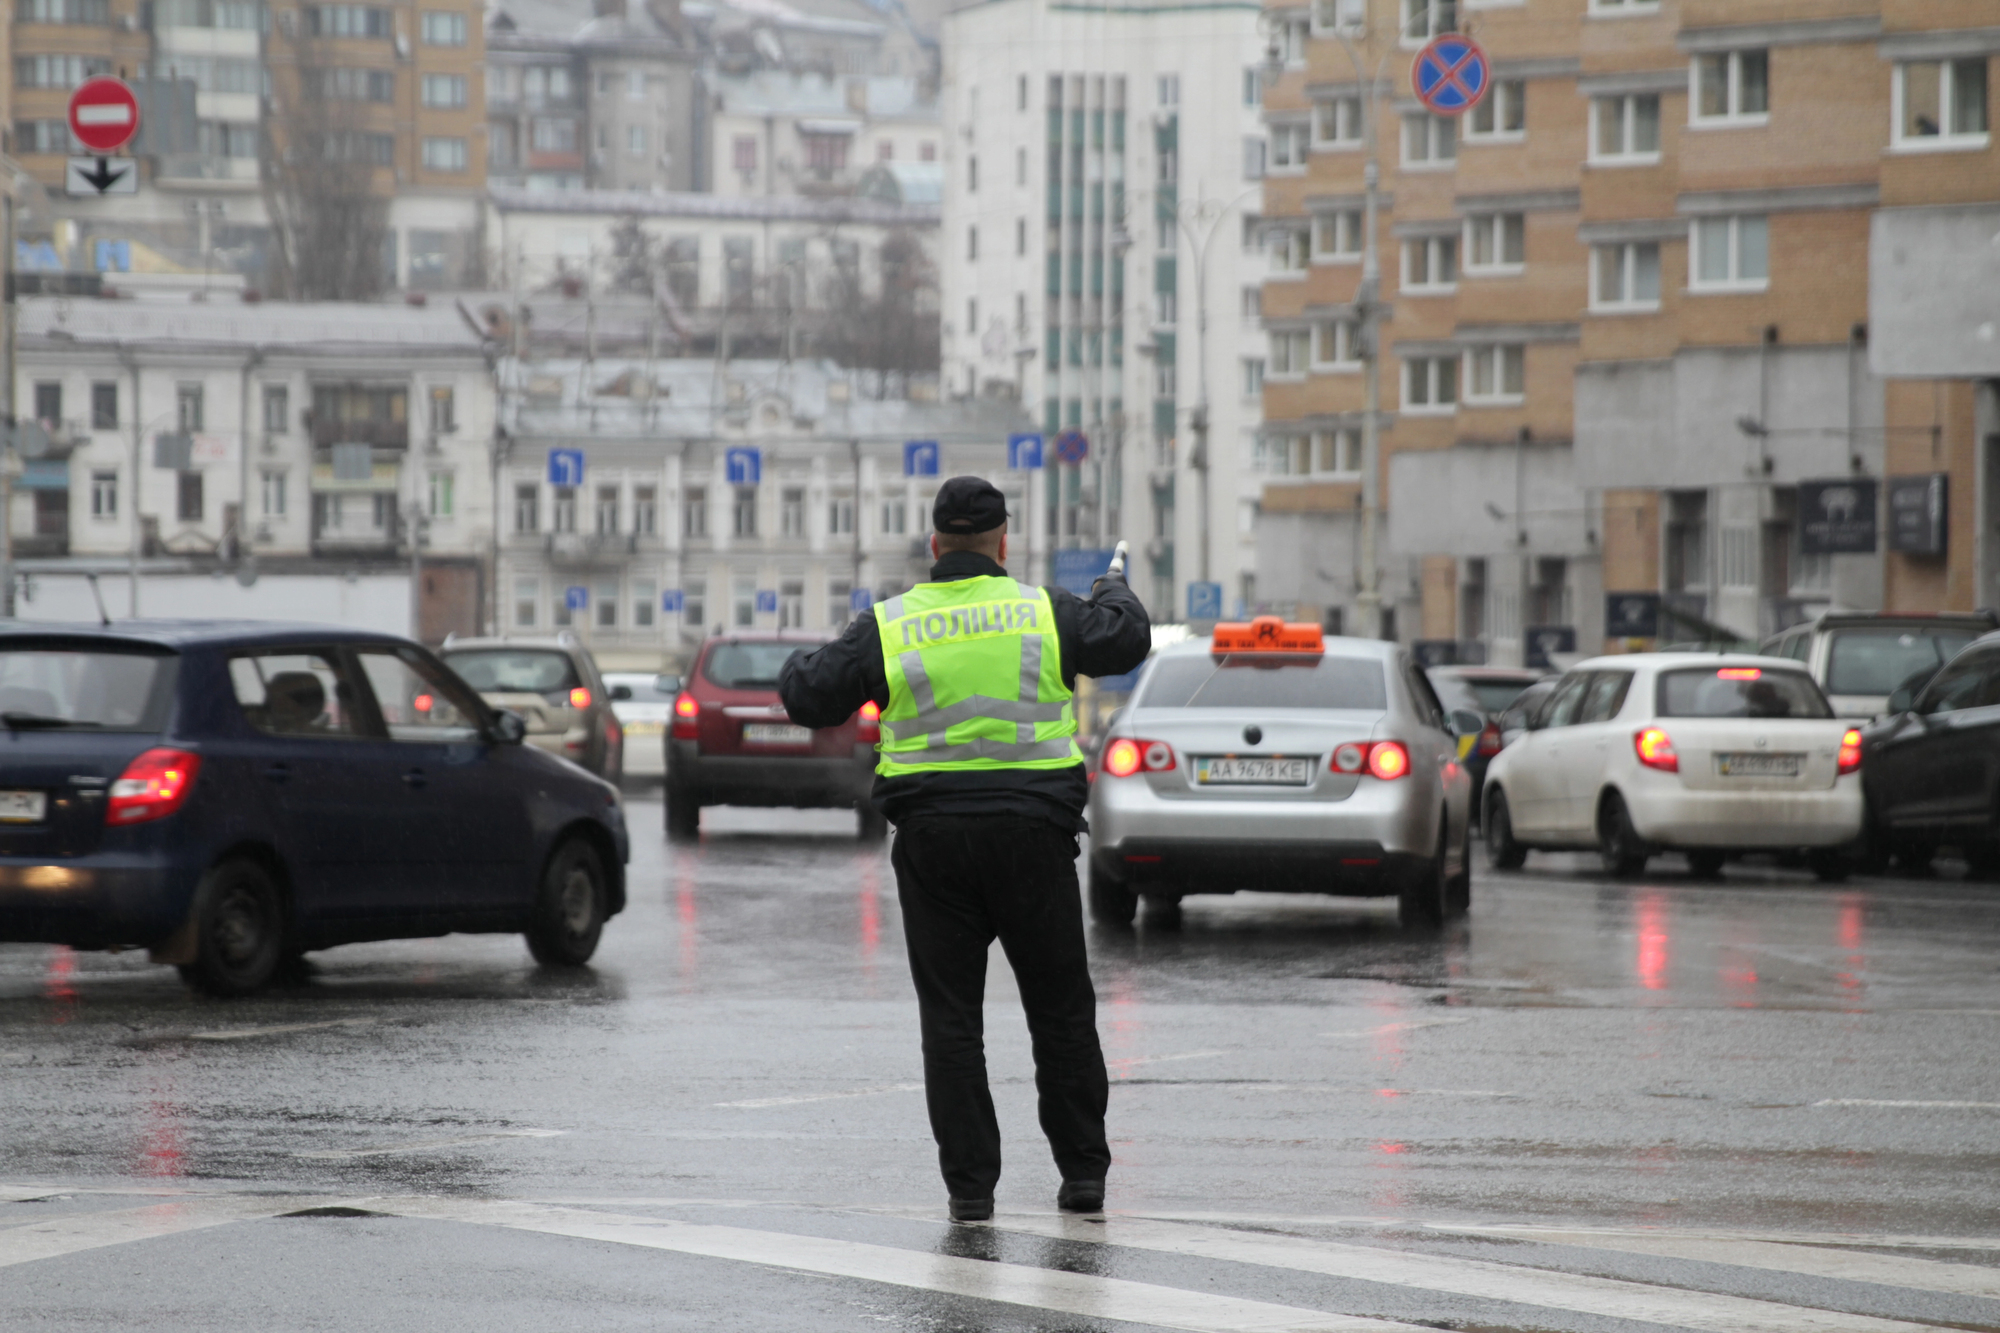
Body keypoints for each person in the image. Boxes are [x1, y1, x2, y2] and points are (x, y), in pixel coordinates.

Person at [779, 475, 1151, 1222]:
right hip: (1034, 838)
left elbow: (806, 694)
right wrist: (1112, 587)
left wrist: (837, 647)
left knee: (952, 1022)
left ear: (934, 544)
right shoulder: (1044, 611)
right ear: (1003, 543)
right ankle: (1083, 1175)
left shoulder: (893, 624)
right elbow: (1128, 636)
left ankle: (971, 1189)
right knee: (1061, 1011)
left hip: (934, 844)